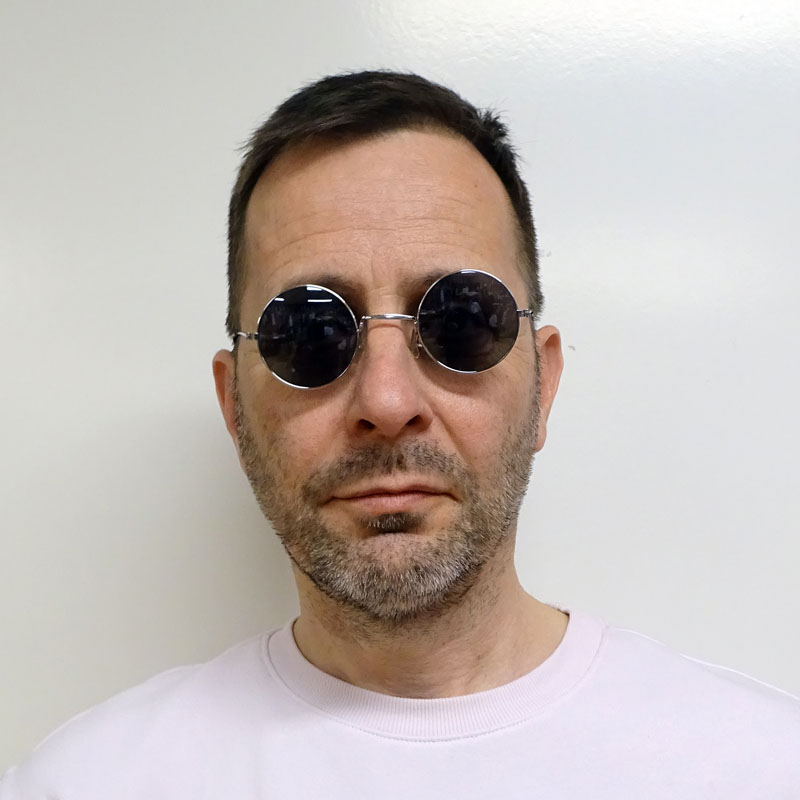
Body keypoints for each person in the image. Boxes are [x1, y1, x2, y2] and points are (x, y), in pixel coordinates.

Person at [2, 70, 799, 799]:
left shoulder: (761, 767)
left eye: (461, 320)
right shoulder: (86, 785)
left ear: (544, 384)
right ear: (233, 407)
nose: (386, 402)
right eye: (309, 332)